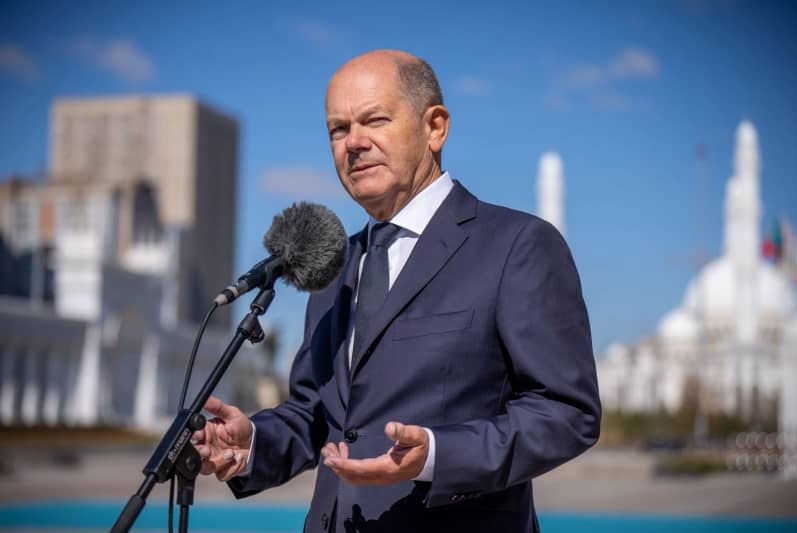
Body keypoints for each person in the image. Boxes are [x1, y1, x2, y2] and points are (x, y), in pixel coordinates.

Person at [194, 49, 601, 533]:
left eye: (375, 120)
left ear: (436, 128)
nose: (354, 143)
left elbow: (565, 411)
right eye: (338, 129)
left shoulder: (517, 246)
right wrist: (254, 441)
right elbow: (319, 417)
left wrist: (439, 454)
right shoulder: (334, 267)